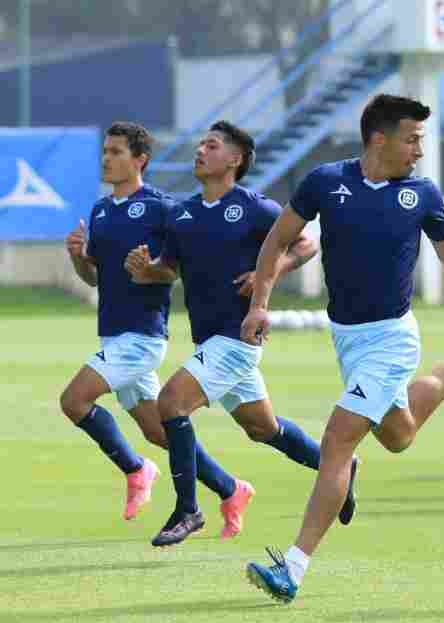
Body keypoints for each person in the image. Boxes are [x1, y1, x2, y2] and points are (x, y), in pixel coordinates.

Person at [241, 94, 444, 603]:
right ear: (380, 138)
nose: (420, 149)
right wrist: (259, 303)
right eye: (413, 138)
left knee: (337, 445)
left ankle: (294, 569)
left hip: (392, 340)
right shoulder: (326, 182)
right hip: (347, 338)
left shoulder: (421, 193)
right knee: (399, 436)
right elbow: (277, 240)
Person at [125, 121, 332, 547]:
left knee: (171, 402)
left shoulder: (256, 207)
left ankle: (188, 509)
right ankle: (340, 470)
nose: (200, 149)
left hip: (237, 339)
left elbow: (305, 245)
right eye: (201, 143)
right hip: (209, 340)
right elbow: (172, 268)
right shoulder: (182, 214)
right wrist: (147, 271)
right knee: (264, 429)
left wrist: (266, 271)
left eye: (212, 145)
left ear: (234, 160)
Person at [59, 122, 176, 521]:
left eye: (116, 152)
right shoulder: (101, 210)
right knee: (159, 432)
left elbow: (176, 268)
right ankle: (231, 488)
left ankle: (136, 469)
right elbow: (95, 277)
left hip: (143, 334)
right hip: (114, 333)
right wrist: (79, 256)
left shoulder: (161, 207)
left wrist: (152, 269)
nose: (106, 159)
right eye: (105, 151)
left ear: (139, 159)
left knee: (74, 400)